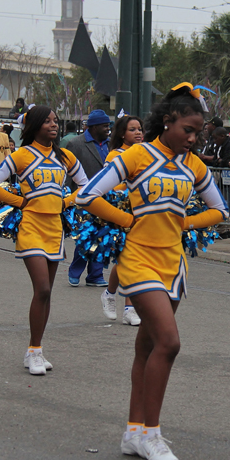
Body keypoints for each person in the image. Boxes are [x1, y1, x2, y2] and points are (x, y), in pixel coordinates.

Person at [76, 82, 228, 460]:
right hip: (139, 260)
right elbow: (87, 195)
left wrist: (185, 223)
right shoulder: (138, 155)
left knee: (147, 347)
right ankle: (152, 434)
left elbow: (221, 211)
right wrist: (128, 220)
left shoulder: (193, 165)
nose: (193, 139)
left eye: (198, 133)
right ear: (167, 121)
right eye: (187, 130)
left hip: (173, 264)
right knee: (169, 343)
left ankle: (132, 431)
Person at [0, 105, 89, 375]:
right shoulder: (21, 155)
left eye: (55, 121)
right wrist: (21, 201)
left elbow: (87, 187)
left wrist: (66, 201)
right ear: (35, 125)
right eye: (47, 122)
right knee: (41, 289)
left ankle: (35, 350)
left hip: (55, 229)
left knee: (47, 293)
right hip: (30, 227)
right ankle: (35, 352)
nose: (54, 125)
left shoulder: (64, 156)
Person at [100, 115, 144, 326]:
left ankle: (115, 298)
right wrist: (127, 185)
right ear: (122, 133)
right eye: (132, 129)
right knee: (125, 258)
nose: (138, 133)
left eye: (140, 129)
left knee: (128, 260)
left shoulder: (146, 153)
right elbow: (110, 184)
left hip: (143, 212)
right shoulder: (115, 155)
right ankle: (122, 303)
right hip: (122, 211)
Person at [65, 109, 112, 287]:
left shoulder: (111, 145)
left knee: (103, 238)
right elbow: (69, 173)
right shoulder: (76, 144)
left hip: (107, 200)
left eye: (108, 125)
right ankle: (75, 272)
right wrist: (68, 198)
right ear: (92, 127)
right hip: (84, 200)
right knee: (86, 237)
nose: (107, 129)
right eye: (104, 126)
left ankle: (95, 275)